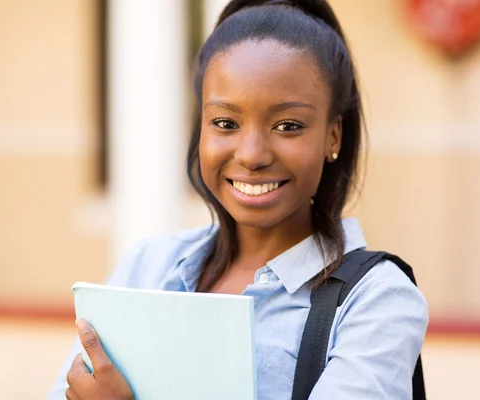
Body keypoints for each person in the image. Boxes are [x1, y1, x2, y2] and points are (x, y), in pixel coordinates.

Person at [49, 0, 428, 399]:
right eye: (226, 123)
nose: (251, 154)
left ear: (333, 136)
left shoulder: (376, 301)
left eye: (288, 125)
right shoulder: (148, 267)